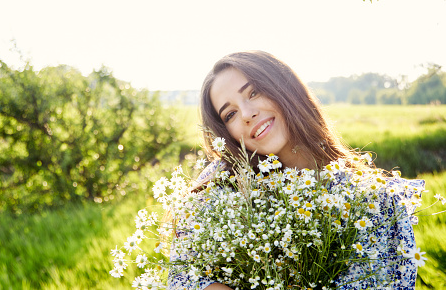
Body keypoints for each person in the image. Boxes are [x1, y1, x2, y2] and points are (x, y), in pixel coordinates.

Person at [167, 51, 422, 290]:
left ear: (285, 87)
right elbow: (183, 277)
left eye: (254, 93)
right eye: (230, 114)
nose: (246, 114)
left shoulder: (373, 200)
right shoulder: (222, 184)